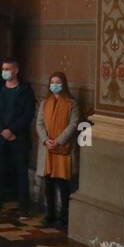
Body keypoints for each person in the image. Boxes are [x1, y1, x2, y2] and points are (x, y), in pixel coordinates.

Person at [0, 58, 37, 218]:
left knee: (21, 174)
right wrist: (2, 130)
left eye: (8, 68)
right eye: (3, 68)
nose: (5, 72)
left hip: (18, 138)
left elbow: (28, 114)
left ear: (16, 70)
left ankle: (23, 207)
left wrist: (12, 129)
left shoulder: (26, 90)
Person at [35, 72, 81, 228]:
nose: (54, 85)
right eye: (52, 82)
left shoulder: (71, 103)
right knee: (48, 185)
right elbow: (39, 123)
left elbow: (73, 124)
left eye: (58, 82)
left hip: (63, 149)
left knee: (63, 185)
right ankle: (50, 214)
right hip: (47, 149)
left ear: (64, 84)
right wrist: (45, 140)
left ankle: (64, 216)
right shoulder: (45, 103)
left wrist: (59, 140)